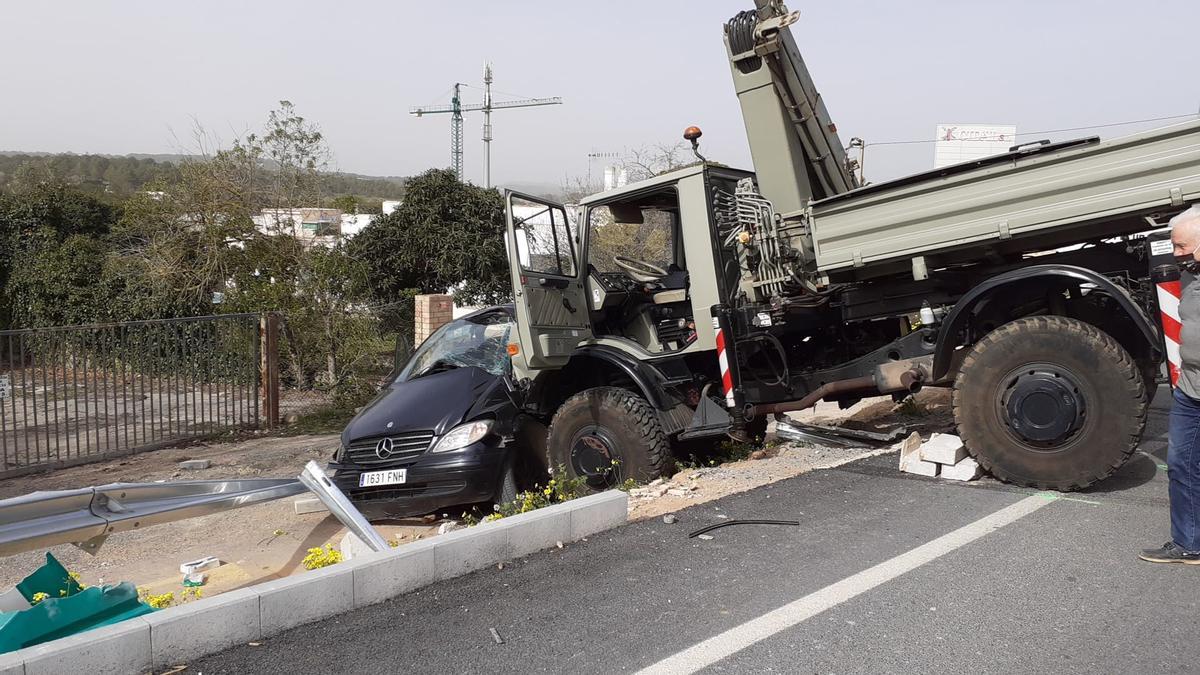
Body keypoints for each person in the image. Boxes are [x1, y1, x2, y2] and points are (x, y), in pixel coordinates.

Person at [1141, 204, 1200, 564]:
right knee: (1181, 464)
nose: (1176, 255)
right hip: (1191, 388)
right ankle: (1189, 543)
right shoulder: (1190, 274)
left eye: (1181, 246)